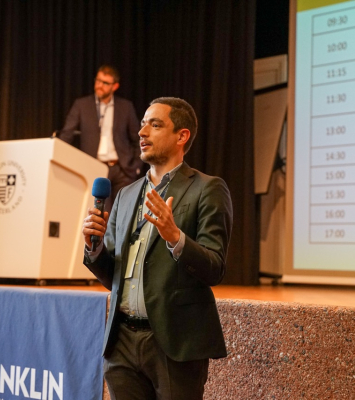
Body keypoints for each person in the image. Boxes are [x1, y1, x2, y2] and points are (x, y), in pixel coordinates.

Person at [81, 97, 233, 399]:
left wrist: (175, 237)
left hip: (173, 343)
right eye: (141, 125)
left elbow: (214, 267)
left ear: (182, 136)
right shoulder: (125, 195)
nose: (142, 132)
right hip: (121, 342)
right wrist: (94, 249)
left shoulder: (207, 188)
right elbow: (113, 275)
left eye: (155, 124)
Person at [59, 65, 142, 211]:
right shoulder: (82, 105)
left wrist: (135, 167)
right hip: (94, 167)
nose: (99, 85)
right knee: (100, 214)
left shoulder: (125, 107)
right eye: (98, 80)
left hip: (121, 169)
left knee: (123, 213)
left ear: (115, 86)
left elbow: (137, 138)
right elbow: (67, 134)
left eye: (105, 83)